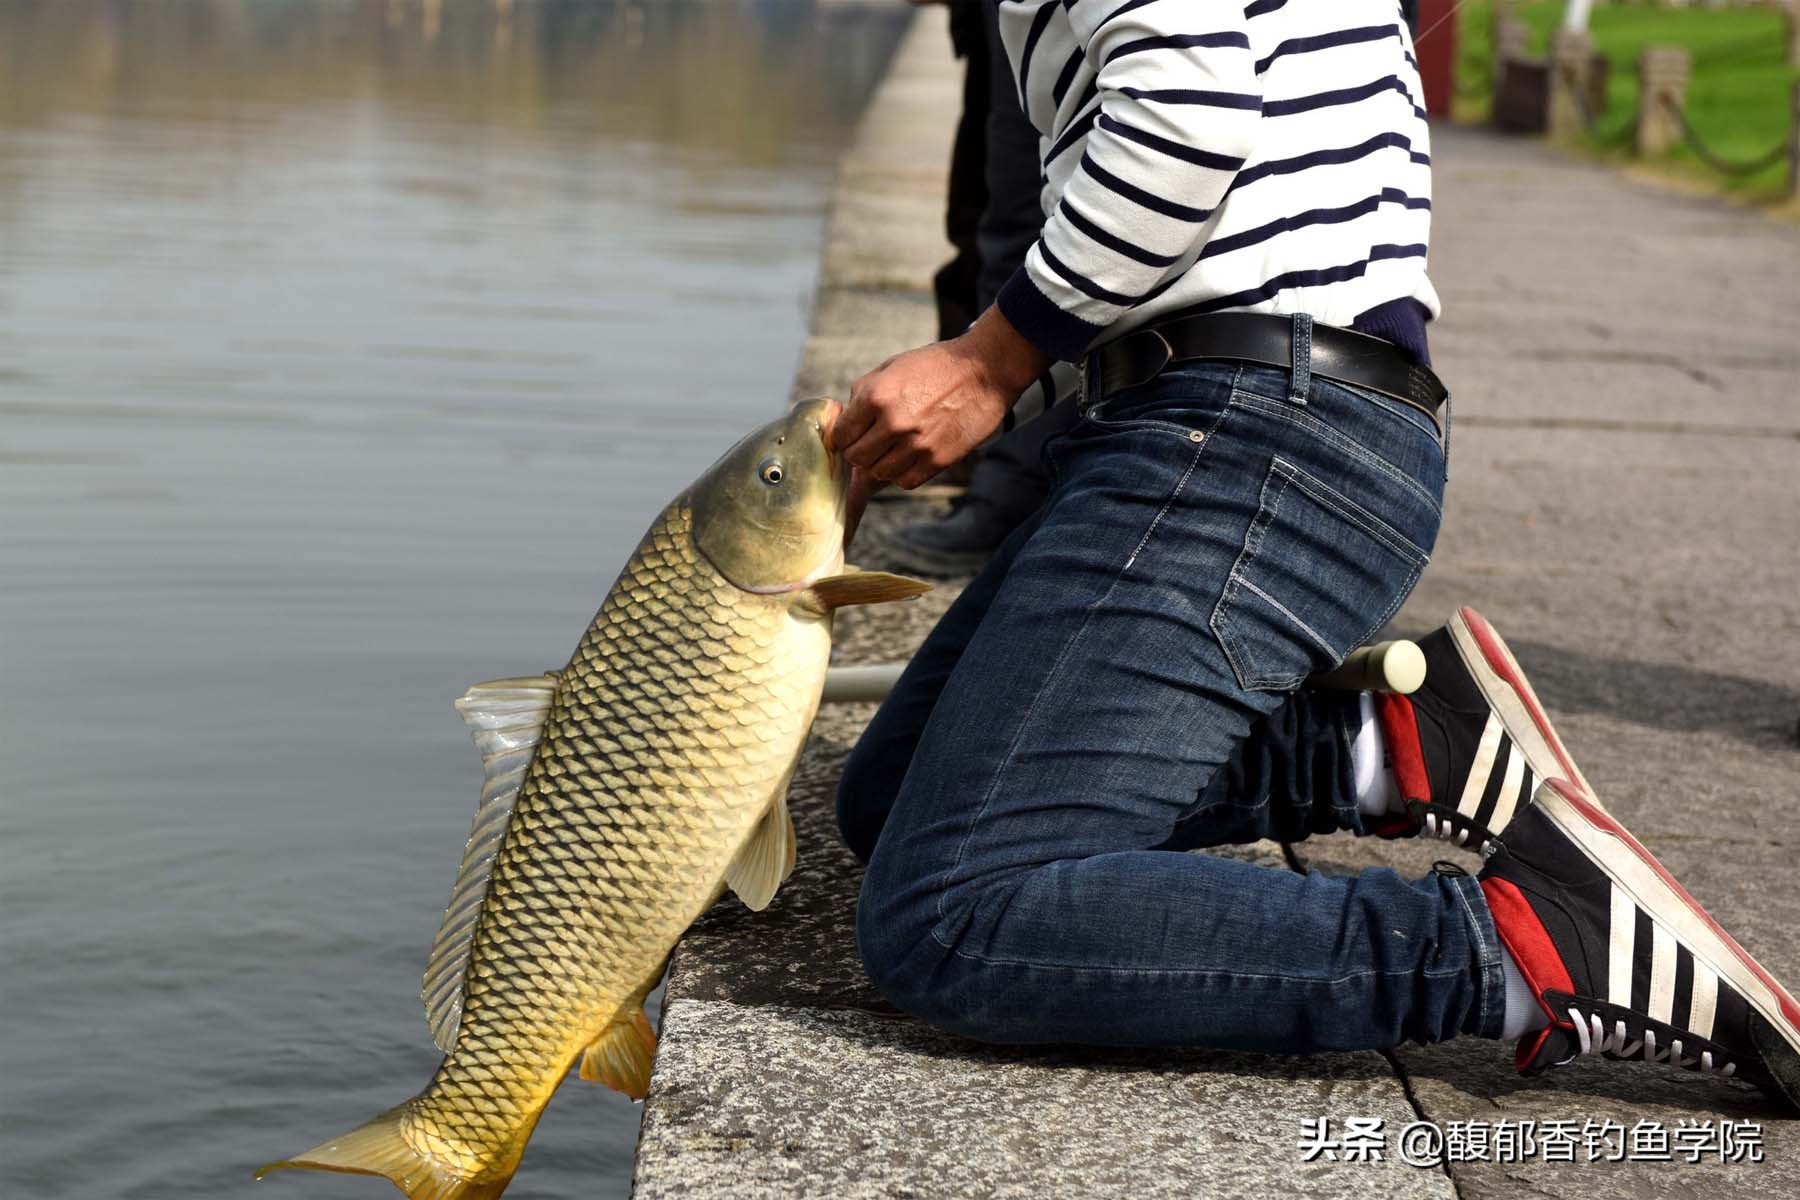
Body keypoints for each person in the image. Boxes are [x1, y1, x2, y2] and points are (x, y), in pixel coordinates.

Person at [828, 0, 1800, 1107]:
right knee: (896, 801)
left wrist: (986, 363)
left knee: (949, 917)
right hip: (1279, 414)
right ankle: (1377, 747)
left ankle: (1534, 947)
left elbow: (1186, 115)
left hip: (1249, 434)